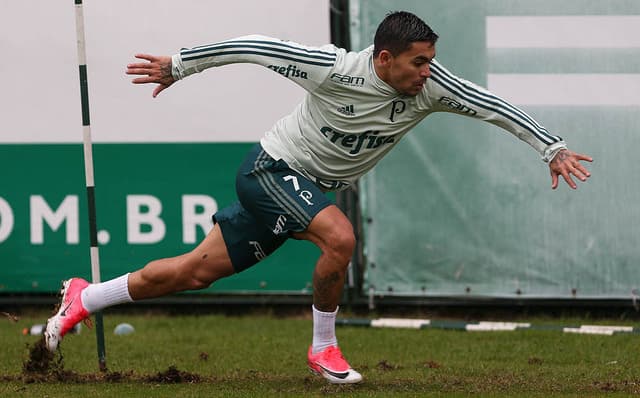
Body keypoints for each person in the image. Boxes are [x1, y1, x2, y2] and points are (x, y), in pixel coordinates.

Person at [44, 11, 592, 384]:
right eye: (417, 63)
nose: (427, 74)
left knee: (191, 273)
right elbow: (255, 48)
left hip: (301, 190)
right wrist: (180, 65)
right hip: (268, 170)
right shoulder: (335, 69)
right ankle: (323, 347)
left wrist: (552, 148)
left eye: (430, 61)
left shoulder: (432, 88)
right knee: (341, 237)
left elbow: (491, 104)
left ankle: (83, 299)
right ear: (383, 59)